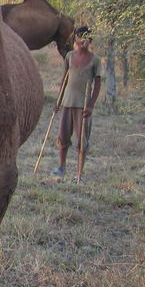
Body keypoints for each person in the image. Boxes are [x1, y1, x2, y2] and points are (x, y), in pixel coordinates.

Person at [53, 25, 103, 178]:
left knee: (82, 141)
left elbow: (98, 84)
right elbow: (64, 78)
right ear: (76, 39)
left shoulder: (95, 60)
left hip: (83, 106)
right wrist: (58, 100)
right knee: (63, 137)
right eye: (80, 37)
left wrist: (91, 106)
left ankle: (79, 173)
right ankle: (61, 167)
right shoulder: (69, 56)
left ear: (90, 40)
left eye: (86, 38)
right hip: (67, 102)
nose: (82, 40)